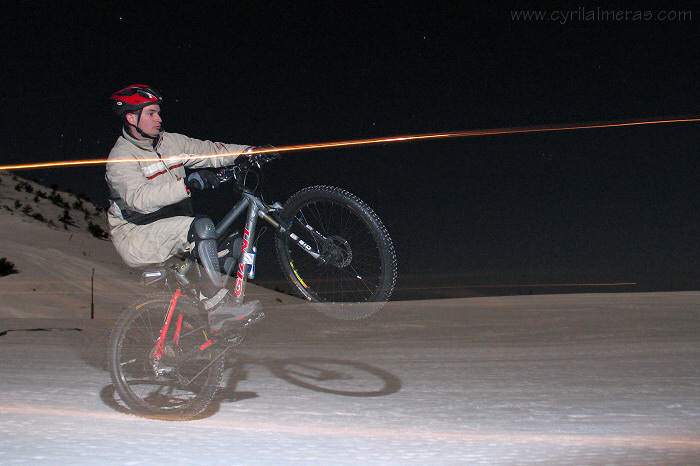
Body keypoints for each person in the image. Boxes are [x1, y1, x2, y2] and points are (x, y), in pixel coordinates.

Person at [106, 84, 264, 330]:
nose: (159, 118)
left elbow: (209, 150)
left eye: (159, 112)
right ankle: (217, 308)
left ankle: (210, 325)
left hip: (168, 226)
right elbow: (139, 199)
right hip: (136, 235)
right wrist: (186, 184)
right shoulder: (120, 157)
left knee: (230, 245)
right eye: (151, 114)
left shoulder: (170, 142)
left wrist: (247, 152)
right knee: (200, 227)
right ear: (131, 117)